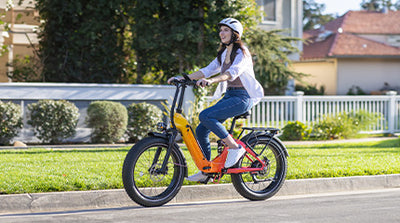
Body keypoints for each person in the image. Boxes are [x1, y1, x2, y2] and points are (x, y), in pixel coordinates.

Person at [168, 18, 264, 182]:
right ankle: (207, 170)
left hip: (242, 97)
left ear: (235, 34)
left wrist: (212, 81)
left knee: (206, 115)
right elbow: (206, 71)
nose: (222, 33)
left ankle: (235, 147)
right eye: (221, 30)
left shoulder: (242, 53)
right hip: (230, 95)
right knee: (201, 130)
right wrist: (183, 78)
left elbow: (232, 73)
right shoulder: (223, 54)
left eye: (226, 30)